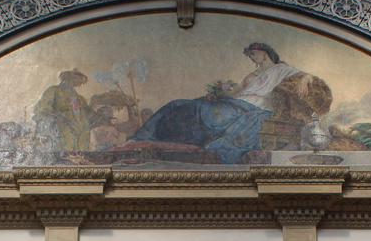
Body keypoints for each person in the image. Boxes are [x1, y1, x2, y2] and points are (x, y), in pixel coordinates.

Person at [130, 42, 303, 164]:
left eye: (253, 54)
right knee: (181, 104)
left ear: (264, 53)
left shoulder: (281, 69)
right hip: (235, 103)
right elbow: (234, 93)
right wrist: (217, 94)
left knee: (205, 112)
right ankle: (146, 136)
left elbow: (304, 76)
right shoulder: (252, 75)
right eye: (249, 55)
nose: (251, 58)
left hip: (253, 107)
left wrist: (305, 81)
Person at [33, 70, 107, 154]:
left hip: (82, 130)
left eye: (80, 81)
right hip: (63, 127)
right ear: (68, 77)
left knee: (82, 155)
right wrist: (56, 117)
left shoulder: (80, 98)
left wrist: (93, 105)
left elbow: (88, 114)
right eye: (76, 79)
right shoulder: (54, 90)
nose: (78, 82)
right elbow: (40, 108)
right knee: (66, 153)